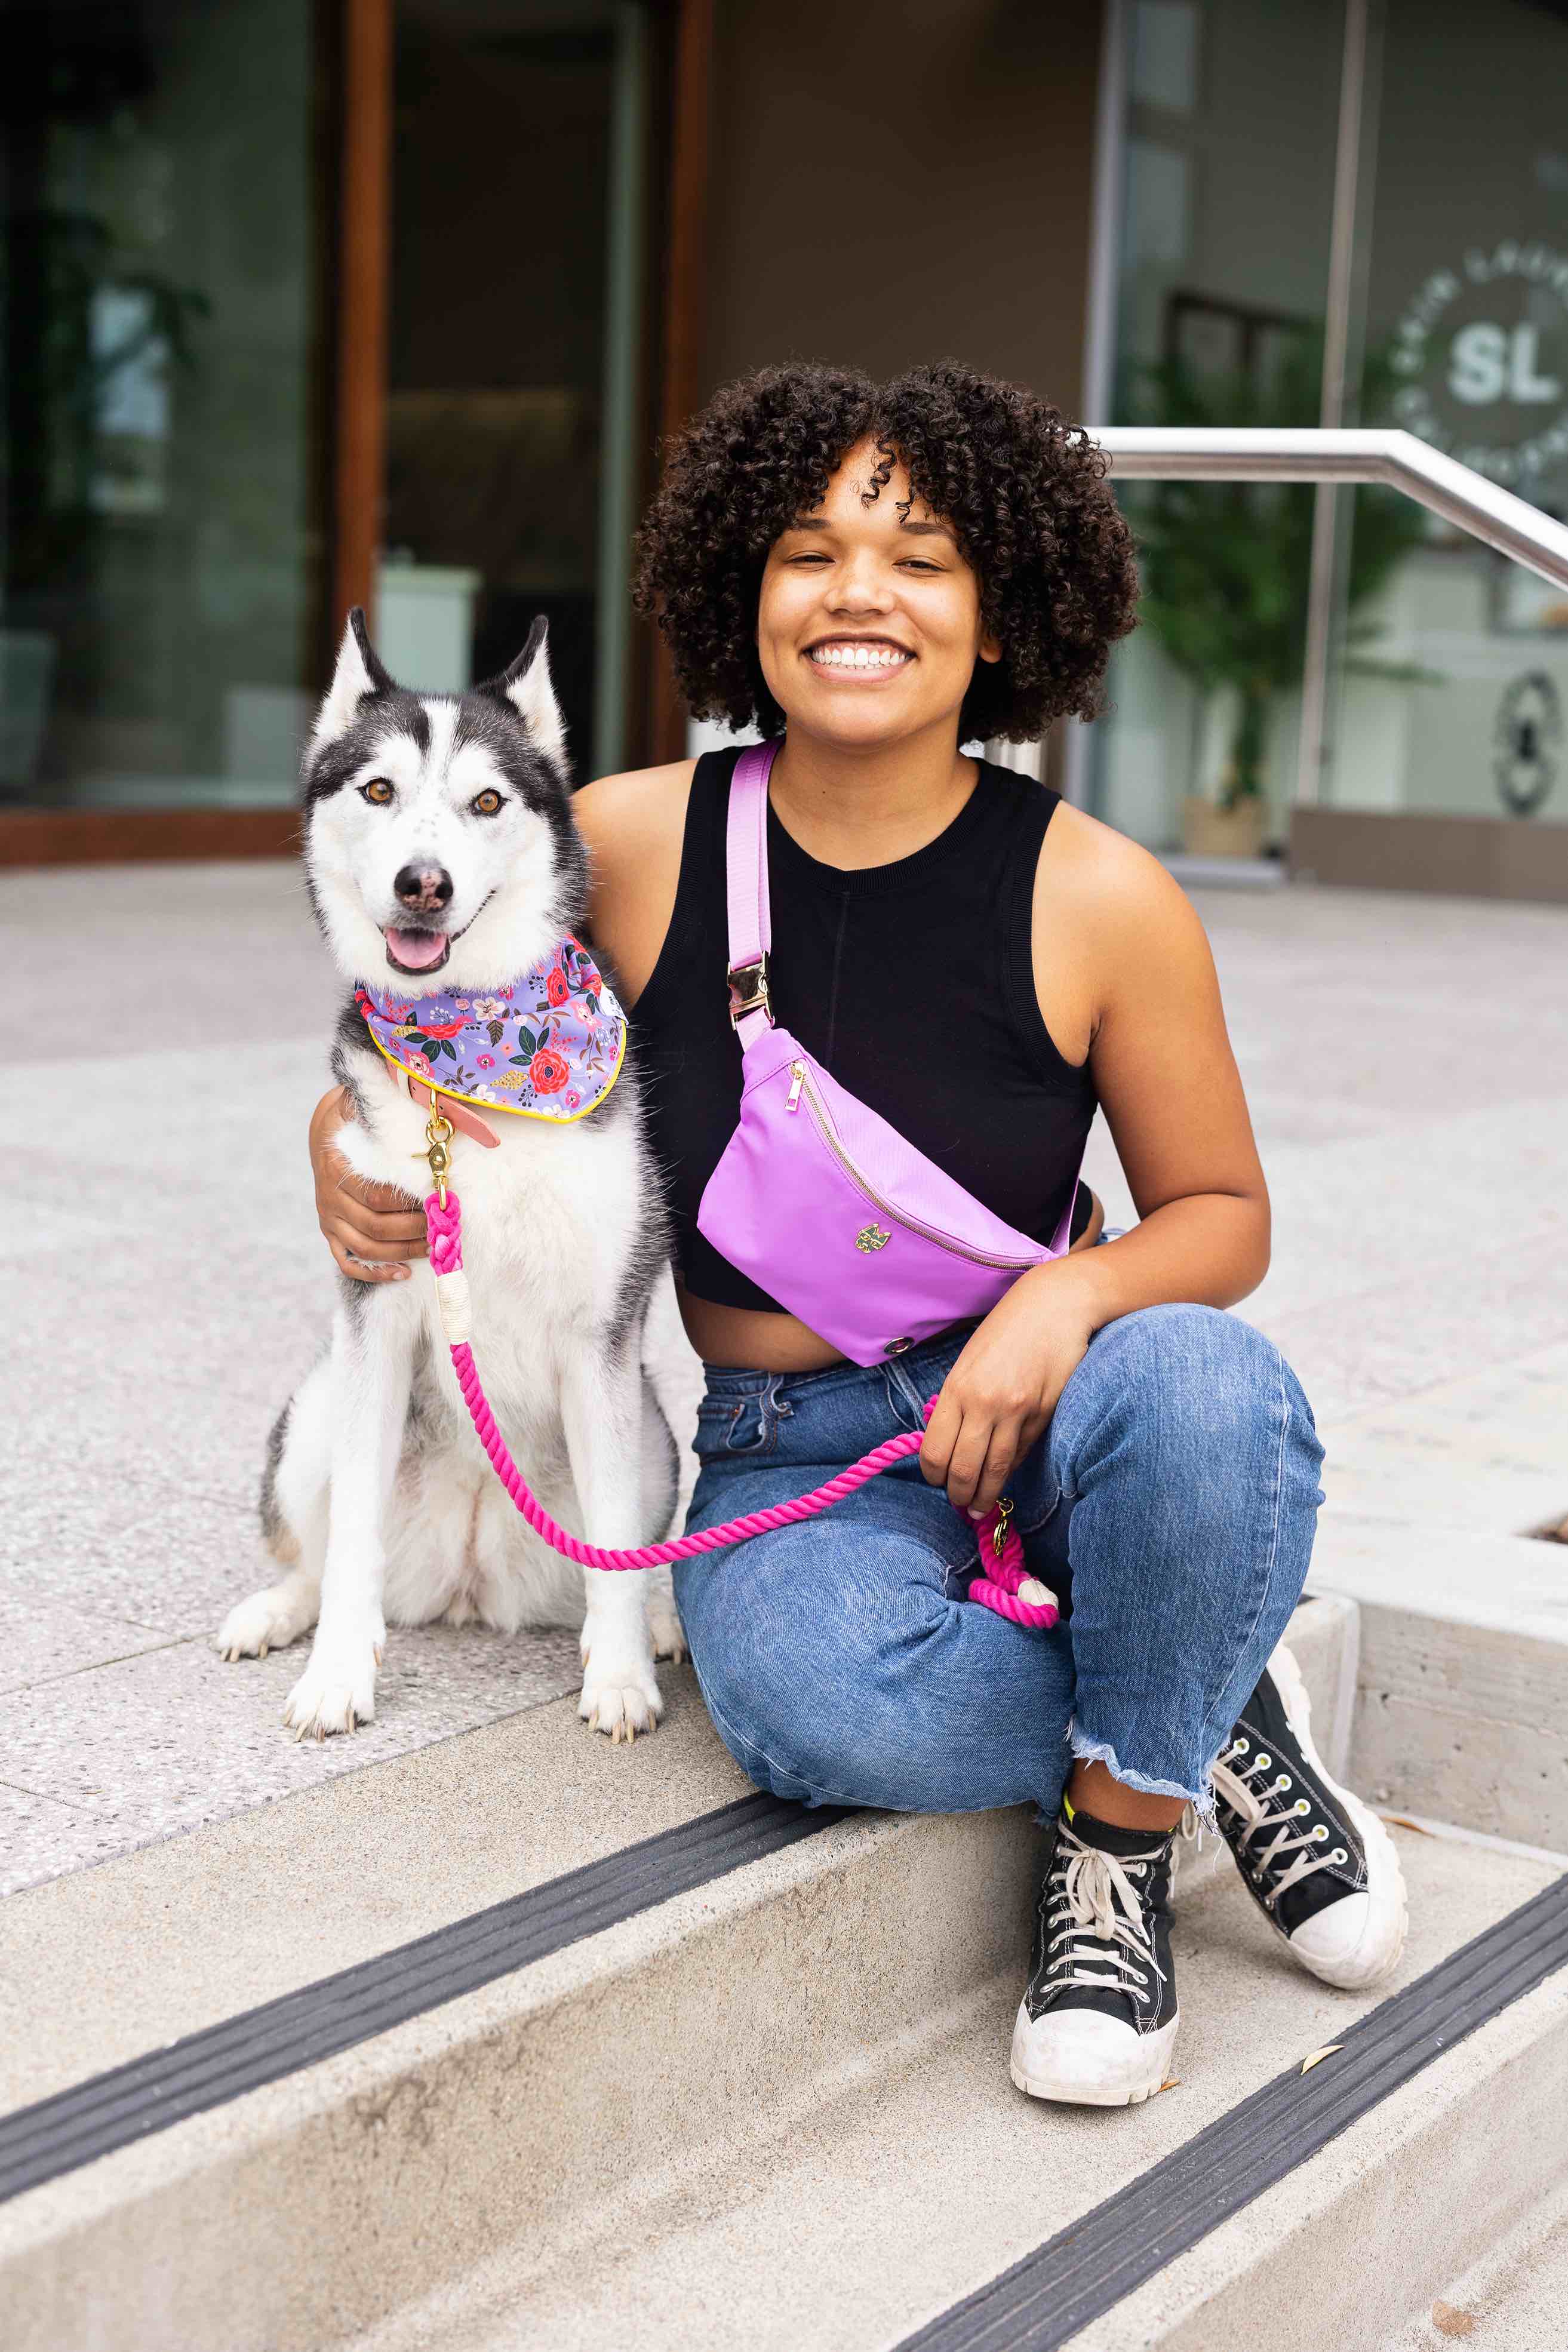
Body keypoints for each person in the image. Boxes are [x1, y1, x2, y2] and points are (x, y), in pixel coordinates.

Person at [308, 361, 1405, 2107]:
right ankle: (1208, 1707)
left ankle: (1117, 1845)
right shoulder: (636, 838)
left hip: (1052, 1402)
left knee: (1207, 1382)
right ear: (741, 586)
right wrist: (332, 1137)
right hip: (781, 1435)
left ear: (1004, 610)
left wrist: (1069, 1300)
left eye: (921, 556)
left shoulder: (1105, 895)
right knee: (812, 1707)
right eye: (810, 549)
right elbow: (433, 1001)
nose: (857, 594)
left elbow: (1223, 1216)